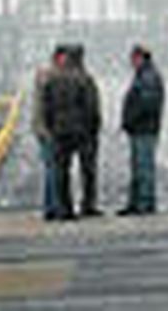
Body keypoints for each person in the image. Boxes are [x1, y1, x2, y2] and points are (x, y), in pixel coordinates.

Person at [39, 46, 93, 222]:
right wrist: (87, 127)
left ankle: (64, 208)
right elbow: (88, 107)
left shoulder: (52, 80)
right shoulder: (80, 80)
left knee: (62, 171)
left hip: (59, 131)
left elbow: (46, 107)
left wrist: (50, 127)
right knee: (81, 169)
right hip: (77, 130)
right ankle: (80, 206)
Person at [119, 44, 165, 216]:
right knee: (138, 167)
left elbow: (146, 104)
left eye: (134, 58)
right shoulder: (144, 75)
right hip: (141, 128)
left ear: (141, 58)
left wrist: (131, 119)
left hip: (144, 129)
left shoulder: (148, 77)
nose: (131, 62)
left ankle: (144, 203)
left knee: (144, 167)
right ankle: (138, 202)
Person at [69, 46, 102, 217]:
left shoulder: (61, 77)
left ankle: (64, 206)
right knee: (88, 171)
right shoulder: (86, 79)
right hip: (85, 132)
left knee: (63, 171)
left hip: (66, 131)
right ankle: (88, 204)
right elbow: (92, 107)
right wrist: (95, 127)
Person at [31, 48, 59, 221]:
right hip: (48, 131)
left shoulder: (44, 77)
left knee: (51, 168)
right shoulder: (49, 79)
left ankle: (51, 206)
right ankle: (53, 206)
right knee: (53, 169)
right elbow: (48, 108)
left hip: (44, 130)